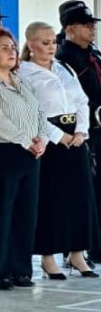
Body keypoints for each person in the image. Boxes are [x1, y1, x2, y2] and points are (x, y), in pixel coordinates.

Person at [18, 22, 97, 279]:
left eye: (54, 42)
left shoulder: (64, 68)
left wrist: (81, 131)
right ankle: (48, 256)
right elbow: (31, 109)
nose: (51, 47)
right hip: (49, 139)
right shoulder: (24, 73)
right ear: (31, 44)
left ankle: (77, 253)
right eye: (45, 42)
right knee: (51, 199)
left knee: (80, 197)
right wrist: (57, 135)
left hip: (75, 137)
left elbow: (81, 101)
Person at [0, 28, 47, 289]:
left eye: (13, 47)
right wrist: (28, 141)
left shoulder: (23, 82)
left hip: (28, 154)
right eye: (4, 47)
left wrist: (41, 140)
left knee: (25, 214)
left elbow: (39, 113)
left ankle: (20, 269)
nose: (12, 52)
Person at [56, 1, 101, 268]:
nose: (92, 29)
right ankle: (79, 248)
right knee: (84, 194)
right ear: (71, 28)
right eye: (86, 25)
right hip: (81, 134)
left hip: (97, 132)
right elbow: (68, 101)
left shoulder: (93, 54)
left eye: (92, 24)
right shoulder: (65, 59)